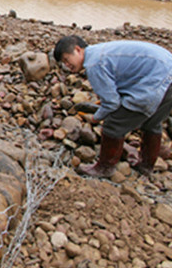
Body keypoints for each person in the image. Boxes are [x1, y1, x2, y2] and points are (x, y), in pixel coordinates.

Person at [54, 35, 172, 178]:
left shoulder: (93, 64)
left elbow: (111, 103)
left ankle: (104, 168)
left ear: (78, 50)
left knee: (113, 125)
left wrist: (96, 118)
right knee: (152, 123)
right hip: (167, 72)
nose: (67, 65)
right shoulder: (100, 51)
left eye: (67, 60)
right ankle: (146, 166)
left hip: (158, 78)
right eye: (63, 63)